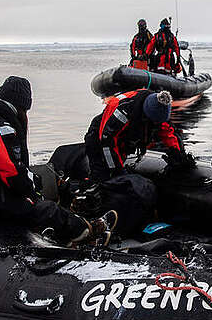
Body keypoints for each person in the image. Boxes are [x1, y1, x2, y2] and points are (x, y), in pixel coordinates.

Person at [0, 76, 98, 246]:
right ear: (21, 105)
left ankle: (64, 234)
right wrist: (33, 191)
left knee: (31, 201)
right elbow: (12, 173)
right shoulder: (0, 127)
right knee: (45, 209)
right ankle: (88, 232)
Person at [82, 89, 195, 236]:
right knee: (106, 179)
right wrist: (117, 171)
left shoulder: (160, 110)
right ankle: (99, 219)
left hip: (121, 142)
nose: (156, 124)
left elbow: (169, 133)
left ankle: (121, 213)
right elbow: (107, 141)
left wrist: (179, 155)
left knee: (121, 179)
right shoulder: (124, 110)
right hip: (100, 138)